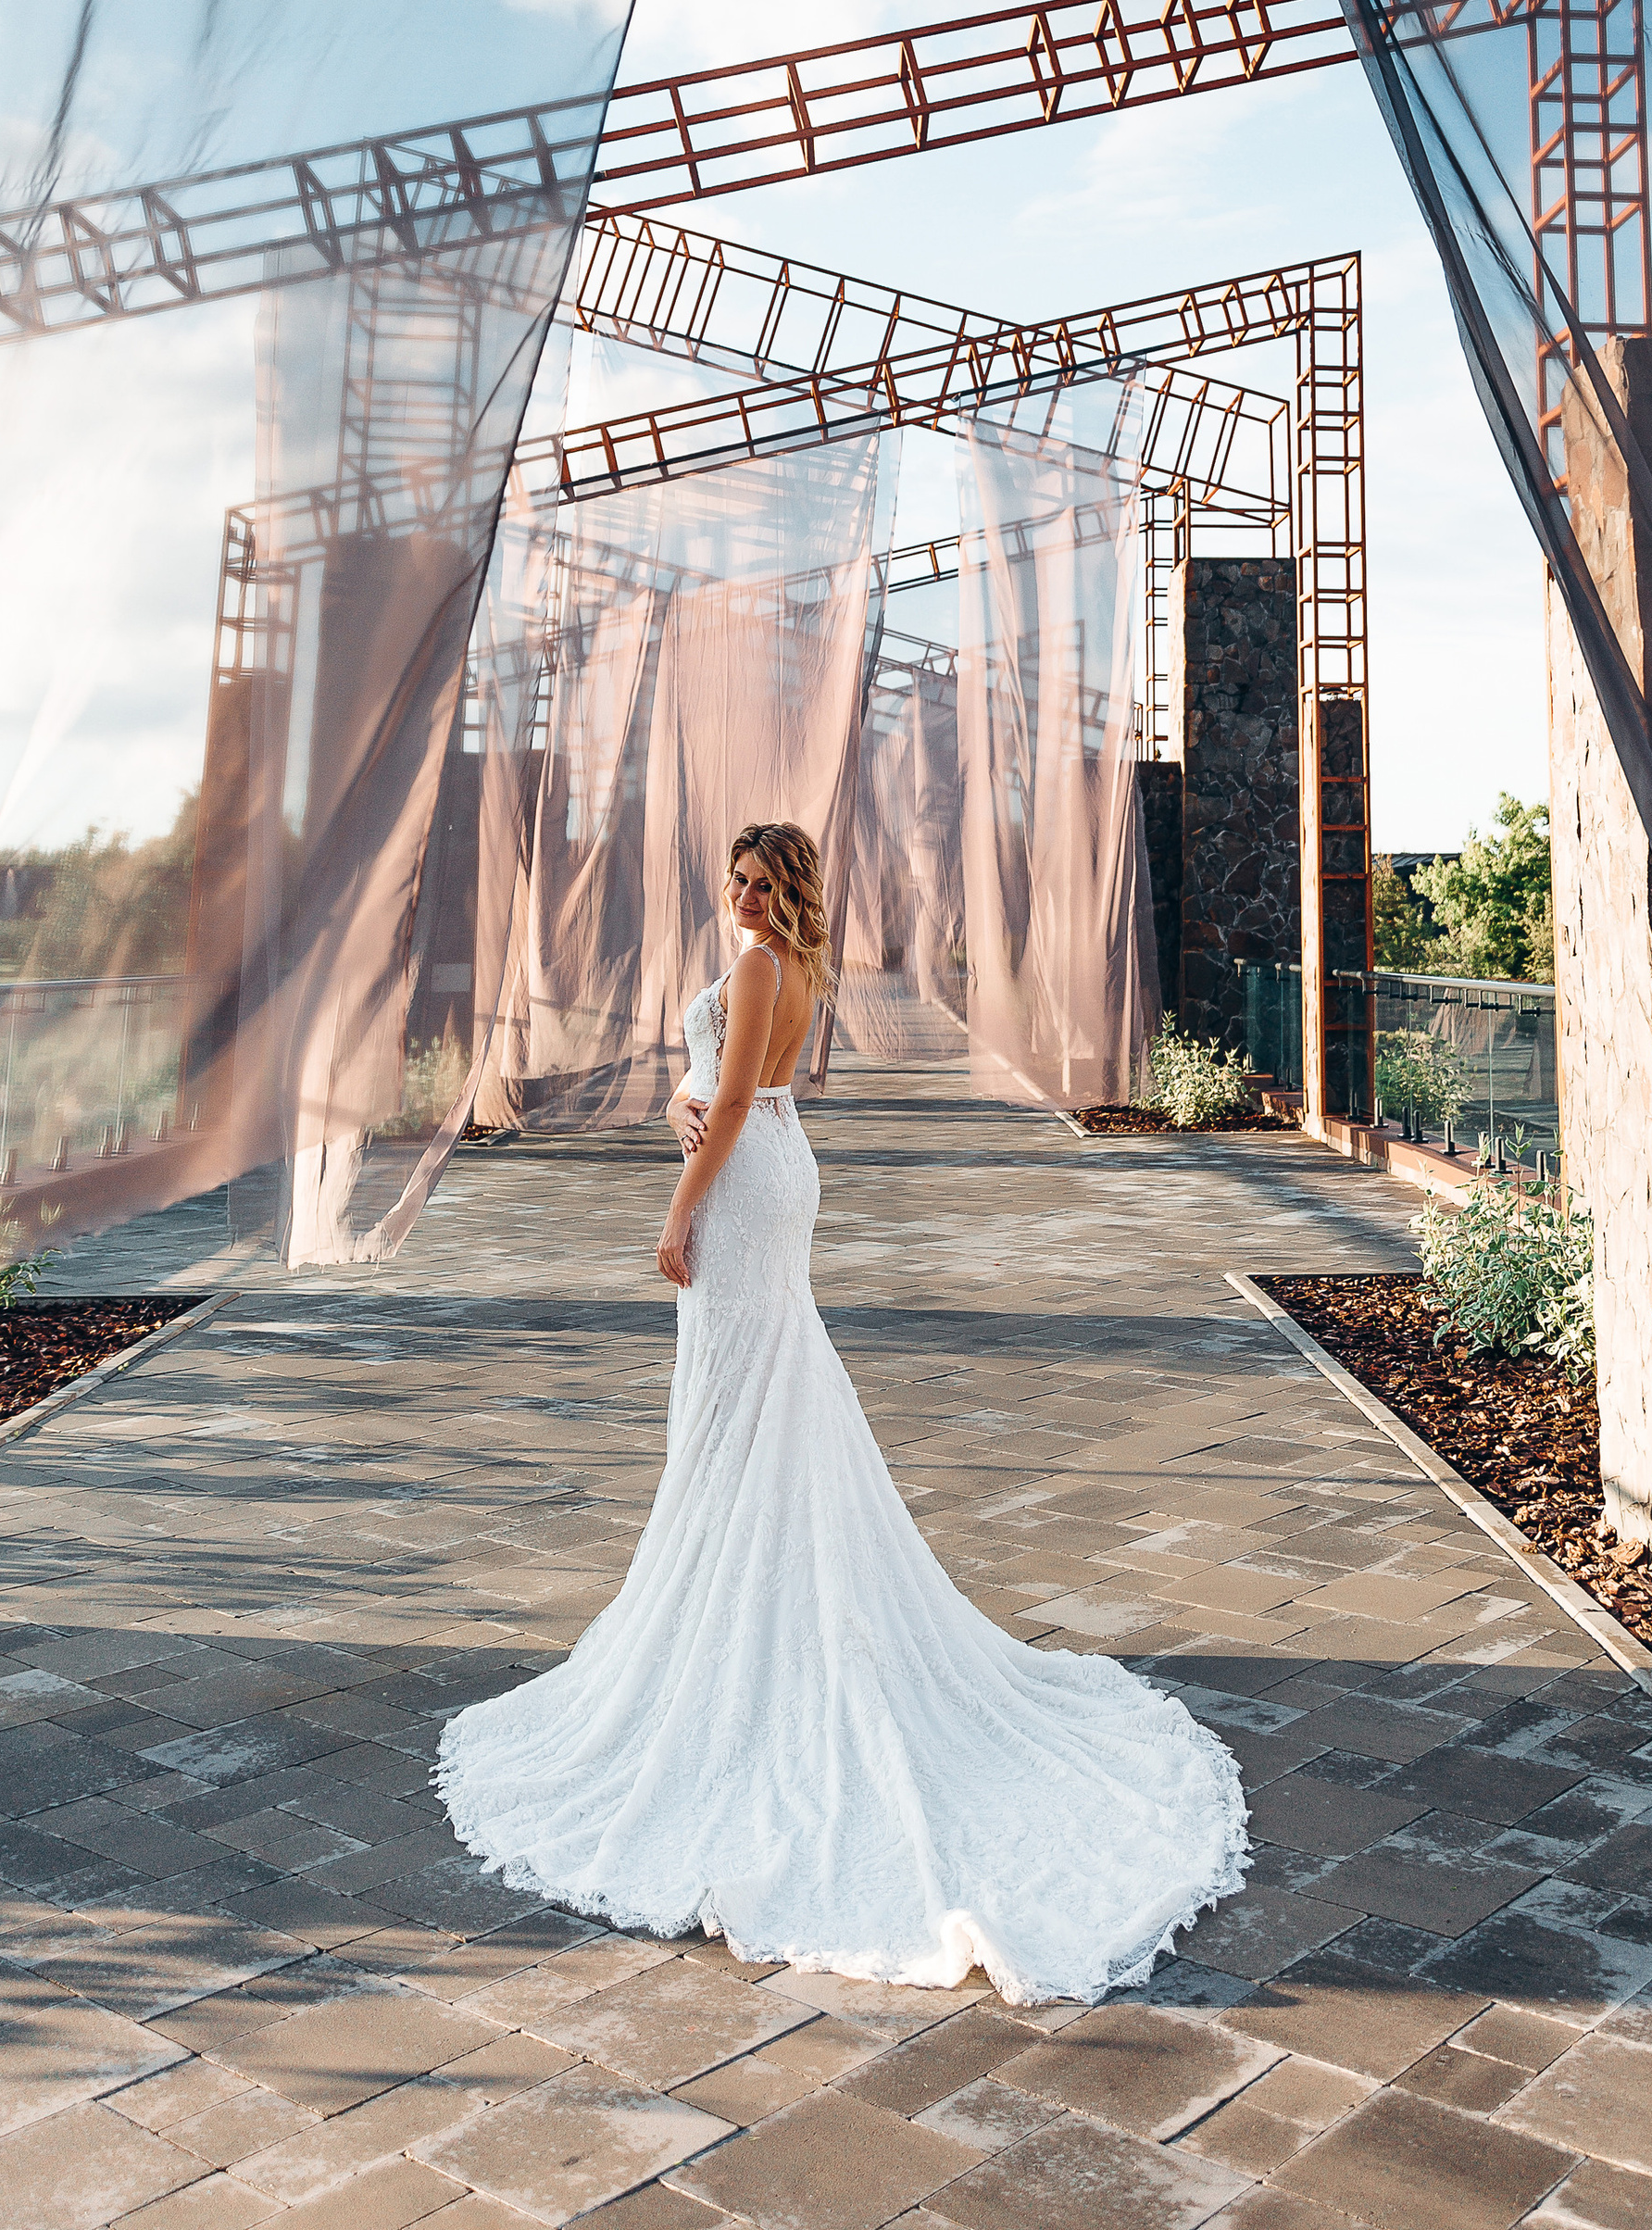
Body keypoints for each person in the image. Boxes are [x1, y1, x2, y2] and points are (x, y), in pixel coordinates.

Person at [436, 820, 1246, 2004]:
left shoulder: (764, 965)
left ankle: (750, 1624)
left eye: (765, 883)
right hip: (768, 1163)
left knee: (741, 1398)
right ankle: (745, 1592)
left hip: (746, 1189)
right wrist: (686, 1101)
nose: (745, 896)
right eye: (738, 878)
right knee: (754, 1399)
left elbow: (732, 1105)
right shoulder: (787, 964)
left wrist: (674, 1213)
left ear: (793, 892)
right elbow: (737, 1087)